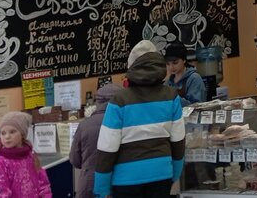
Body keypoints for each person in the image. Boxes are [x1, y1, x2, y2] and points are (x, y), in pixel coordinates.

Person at [95, 41, 184, 198]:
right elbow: (178, 142)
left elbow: (107, 147)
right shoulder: (171, 96)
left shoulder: (119, 100)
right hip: (161, 175)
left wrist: (101, 189)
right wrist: (175, 174)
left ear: (131, 68)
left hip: (125, 180)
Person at [0, 111, 51, 198]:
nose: (7, 136)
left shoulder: (30, 156)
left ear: (22, 134)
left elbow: (43, 184)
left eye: (12, 132)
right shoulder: (0, 162)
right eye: (3, 133)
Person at [70, 83, 122, 198]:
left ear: (98, 102)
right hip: (119, 183)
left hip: (89, 184)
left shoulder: (84, 125)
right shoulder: (126, 122)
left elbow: (75, 160)